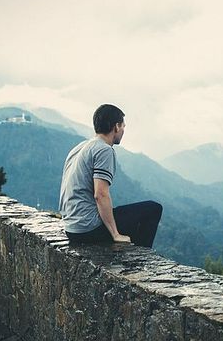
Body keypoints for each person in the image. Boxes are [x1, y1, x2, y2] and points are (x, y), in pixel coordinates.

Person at [59, 104, 162, 248]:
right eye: (123, 126)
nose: (123, 131)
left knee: (127, 214)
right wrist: (115, 234)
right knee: (153, 209)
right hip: (88, 229)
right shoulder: (104, 150)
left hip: (72, 228)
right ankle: (141, 259)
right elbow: (100, 194)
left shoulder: (80, 148)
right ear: (116, 127)